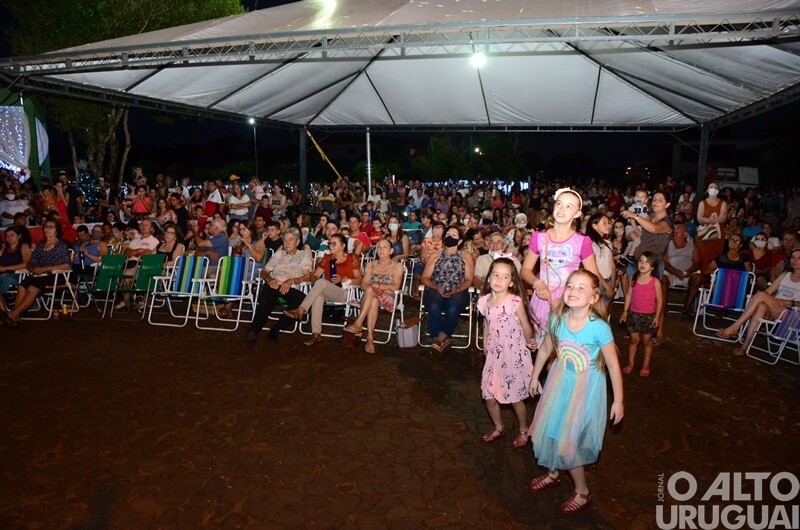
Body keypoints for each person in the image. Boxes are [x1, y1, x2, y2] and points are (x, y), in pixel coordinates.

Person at [527, 269, 624, 514]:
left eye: (582, 287)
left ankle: (582, 491)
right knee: (550, 428)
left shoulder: (599, 328)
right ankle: (552, 472)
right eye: (570, 285)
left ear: (594, 297)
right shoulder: (557, 319)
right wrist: (534, 375)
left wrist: (619, 400)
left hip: (585, 391)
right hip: (558, 384)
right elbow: (545, 348)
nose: (573, 291)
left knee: (569, 441)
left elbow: (612, 364)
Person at [520, 188, 610, 347]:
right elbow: (525, 271)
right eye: (559, 204)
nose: (562, 209)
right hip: (542, 299)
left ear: (577, 213)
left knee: (563, 351)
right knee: (541, 350)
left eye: (569, 206)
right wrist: (537, 283)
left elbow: (592, 276)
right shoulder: (538, 237)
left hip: (570, 301)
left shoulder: (582, 242)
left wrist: (565, 299)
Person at [477, 258, 537, 449]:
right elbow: (486, 322)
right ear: (489, 278)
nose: (498, 279)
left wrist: (530, 341)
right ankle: (498, 426)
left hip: (513, 354)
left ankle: (523, 429)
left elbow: (526, 325)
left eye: (504, 276)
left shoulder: (514, 301)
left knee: (514, 397)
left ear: (511, 281)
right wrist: (485, 341)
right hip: (494, 353)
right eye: (495, 275)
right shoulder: (484, 301)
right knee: (488, 394)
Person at [283, 233, 363, 346]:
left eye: (334, 244)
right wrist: (318, 284)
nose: (331, 246)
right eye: (330, 243)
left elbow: (359, 280)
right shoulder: (327, 258)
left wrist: (345, 279)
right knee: (318, 295)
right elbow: (314, 276)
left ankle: (301, 310)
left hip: (345, 292)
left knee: (321, 284)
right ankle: (316, 334)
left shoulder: (352, 258)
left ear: (343, 246)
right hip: (328, 289)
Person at [716, 248, 800, 356]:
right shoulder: (785, 275)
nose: (795, 260)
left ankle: (735, 327)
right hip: (775, 307)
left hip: (790, 313)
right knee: (761, 305)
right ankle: (745, 347)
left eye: (799, 258)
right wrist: (769, 299)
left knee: (761, 295)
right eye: (793, 257)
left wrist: (790, 302)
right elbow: (768, 292)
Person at [244, 227, 312, 344]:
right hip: (274, 283)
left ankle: (275, 330)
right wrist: (269, 279)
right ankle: (254, 331)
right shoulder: (279, 254)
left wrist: (291, 281)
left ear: (297, 242)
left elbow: (307, 276)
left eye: (291, 240)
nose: (287, 243)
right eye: (285, 240)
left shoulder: (303, 255)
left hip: (290, 287)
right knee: (266, 298)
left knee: (302, 300)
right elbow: (264, 271)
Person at [2, 220, 72, 326]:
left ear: (57, 230)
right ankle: (16, 316)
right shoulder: (40, 246)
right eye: (46, 227)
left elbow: (67, 265)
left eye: (51, 227)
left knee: (32, 287)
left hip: (55, 275)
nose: (47, 229)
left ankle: (13, 313)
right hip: (38, 275)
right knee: (22, 286)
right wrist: (33, 269)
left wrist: (46, 269)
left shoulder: (61, 246)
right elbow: (30, 263)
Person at [342, 238, 404, 353]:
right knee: (373, 299)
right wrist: (372, 289)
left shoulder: (397, 266)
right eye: (379, 247)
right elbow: (364, 283)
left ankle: (358, 323)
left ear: (391, 251)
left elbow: (395, 286)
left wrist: (378, 286)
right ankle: (370, 338)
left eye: (384, 247)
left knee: (371, 289)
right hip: (370, 296)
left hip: (388, 298)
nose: (381, 249)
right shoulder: (370, 264)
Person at [420, 225, 474, 353]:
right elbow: (426, 277)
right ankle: (440, 339)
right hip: (436, 288)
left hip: (458, 290)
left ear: (460, 241)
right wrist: (436, 287)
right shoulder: (435, 255)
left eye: (454, 235)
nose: (449, 237)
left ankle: (439, 338)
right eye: (448, 234)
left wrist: (458, 289)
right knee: (433, 305)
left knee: (454, 307)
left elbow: (468, 279)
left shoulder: (465, 256)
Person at [620, 252, 662, 377]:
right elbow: (629, 295)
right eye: (641, 261)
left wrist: (657, 317)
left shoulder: (655, 282)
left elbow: (659, 301)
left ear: (653, 266)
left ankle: (645, 365)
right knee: (634, 340)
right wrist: (625, 311)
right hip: (633, 314)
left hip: (648, 315)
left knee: (646, 341)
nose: (643, 264)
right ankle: (631, 363)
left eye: (647, 262)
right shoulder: (634, 278)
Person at [585, 212, 616, 315]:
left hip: (608, 281)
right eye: (604, 223)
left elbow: (612, 266)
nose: (608, 225)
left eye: (608, 223)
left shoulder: (608, 243)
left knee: (604, 312)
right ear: (594, 226)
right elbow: (594, 269)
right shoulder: (592, 245)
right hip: (599, 283)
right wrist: (607, 287)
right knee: (596, 313)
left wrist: (612, 284)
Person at [695, 182, 729, 273]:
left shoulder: (723, 203)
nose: (713, 189)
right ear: (707, 190)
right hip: (704, 233)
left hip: (718, 234)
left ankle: (712, 278)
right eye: (711, 187)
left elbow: (723, 218)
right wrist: (713, 219)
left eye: (715, 187)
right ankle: (700, 277)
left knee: (715, 256)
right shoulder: (702, 203)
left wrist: (708, 219)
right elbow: (699, 219)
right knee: (702, 255)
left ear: (718, 190)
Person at [0, 226, 33, 317]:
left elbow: (27, 264)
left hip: (19, 275)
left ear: (19, 236)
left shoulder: (23, 246)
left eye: (12, 235)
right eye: (7, 236)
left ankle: (5, 315)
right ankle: (5, 314)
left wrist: (5, 268)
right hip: (5, 275)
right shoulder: (4, 250)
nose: (9, 238)